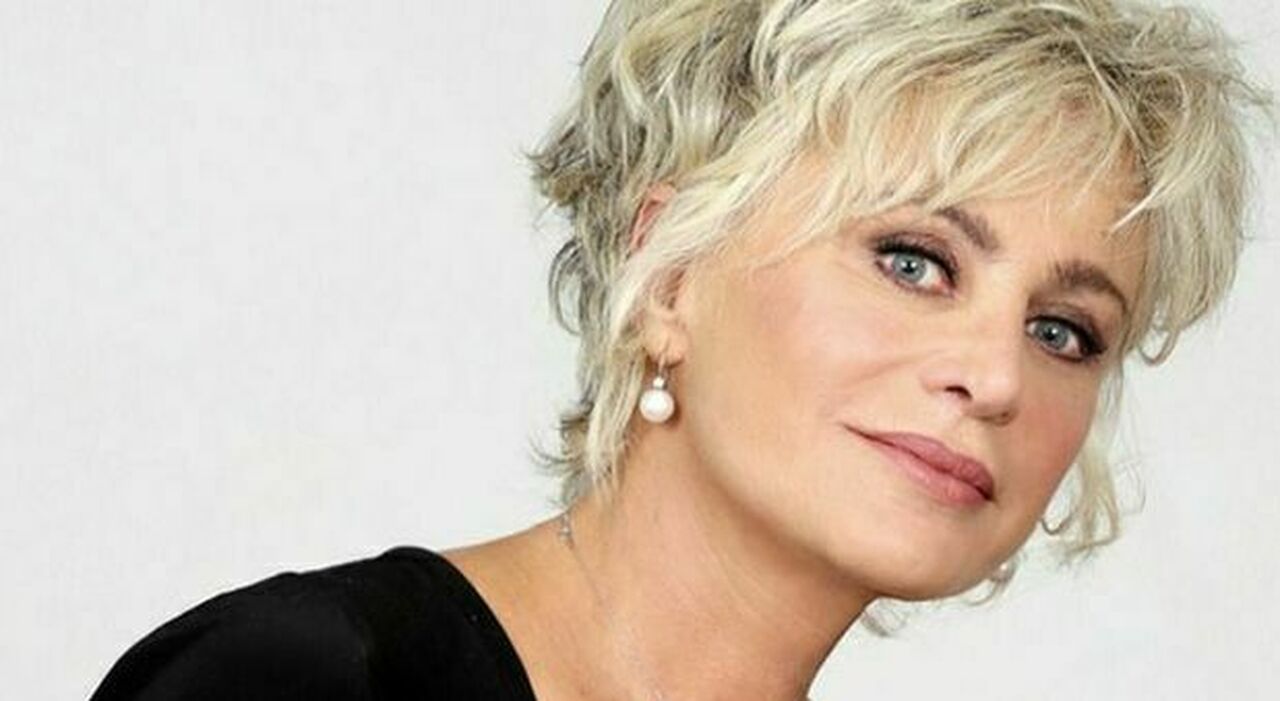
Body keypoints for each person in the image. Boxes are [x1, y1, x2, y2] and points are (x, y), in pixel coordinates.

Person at [90, 1, 1268, 699]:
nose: (997, 375)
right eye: (914, 261)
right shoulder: (304, 680)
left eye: (1062, 329)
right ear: (666, 271)